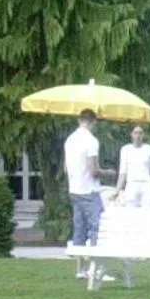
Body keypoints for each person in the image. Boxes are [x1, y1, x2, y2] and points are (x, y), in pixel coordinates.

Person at [64, 109, 103, 254]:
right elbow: (93, 170)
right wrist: (109, 173)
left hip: (74, 189)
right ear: (93, 122)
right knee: (96, 228)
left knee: (79, 228)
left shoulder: (69, 140)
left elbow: (66, 168)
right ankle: (95, 266)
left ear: (79, 120)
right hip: (89, 189)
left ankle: (81, 268)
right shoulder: (92, 141)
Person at [117, 123, 150, 209]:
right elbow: (123, 172)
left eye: (140, 133)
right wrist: (117, 189)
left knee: (147, 212)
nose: (138, 135)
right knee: (131, 213)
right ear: (132, 134)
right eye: (136, 133)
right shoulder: (125, 149)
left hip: (146, 185)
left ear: (143, 135)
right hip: (131, 184)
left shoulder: (149, 149)